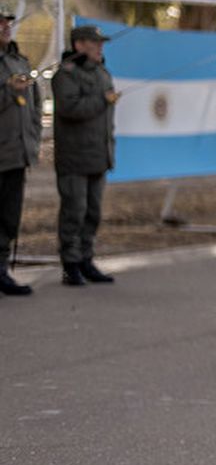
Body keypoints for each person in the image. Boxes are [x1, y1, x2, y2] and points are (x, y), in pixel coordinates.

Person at [52, 23, 118, 286]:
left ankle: (86, 259)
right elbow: (70, 108)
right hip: (74, 157)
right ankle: (70, 264)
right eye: (95, 42)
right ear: (79, 45)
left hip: (98, 155)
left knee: (93, 212)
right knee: (74, 211)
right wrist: (103, 100)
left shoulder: (103, 72)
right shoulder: (65, 74)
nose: (101, 46)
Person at [0, 8, 42, 296]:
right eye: (0, 23)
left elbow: (35, 106)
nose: (6, 27)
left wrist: (33, 139)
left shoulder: (19, 61)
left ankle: (1, 270)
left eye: (7, 22)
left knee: (8, 216)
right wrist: (6, 90)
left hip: (16, 153)